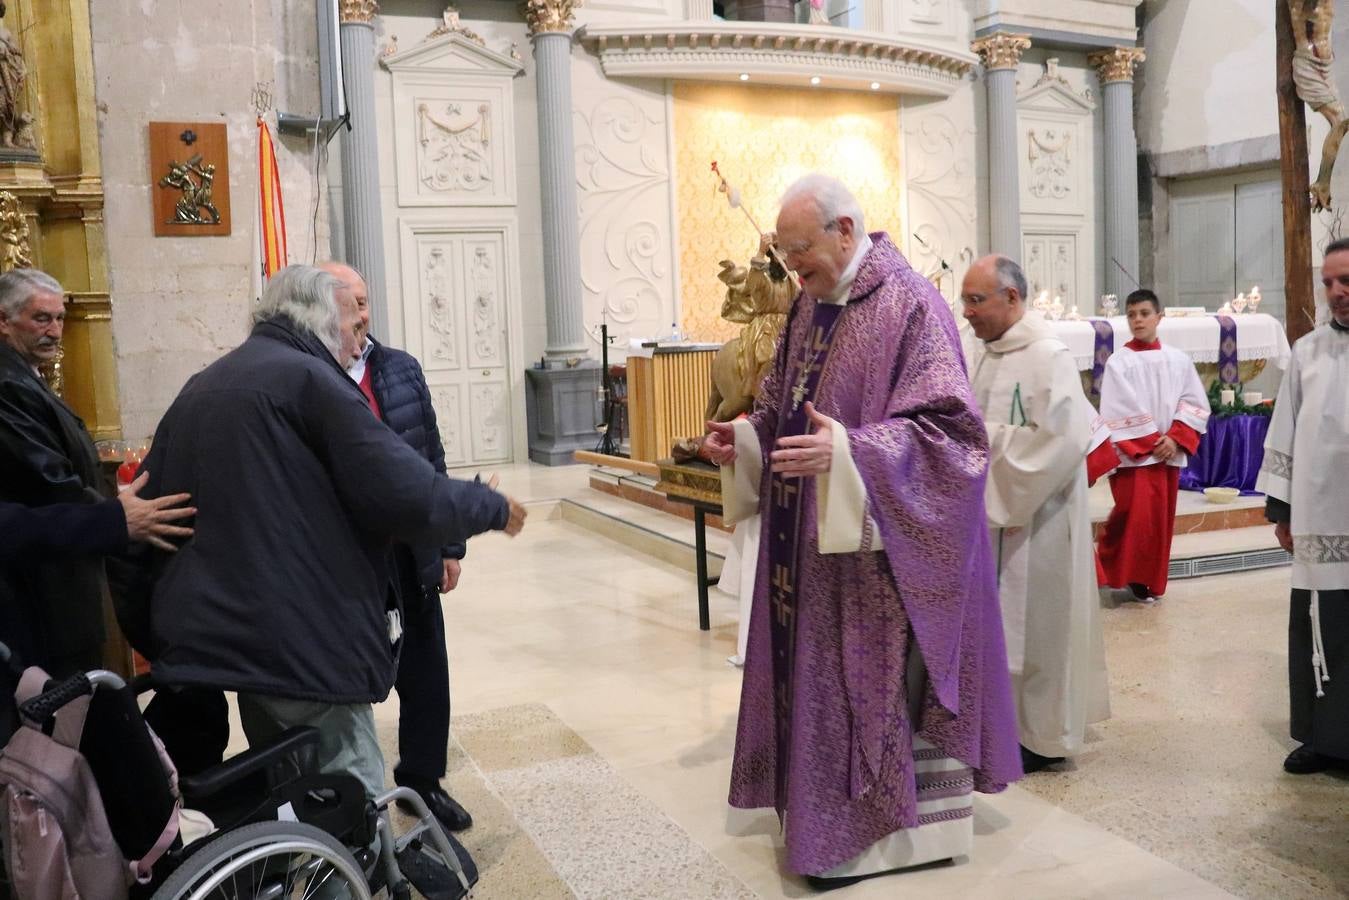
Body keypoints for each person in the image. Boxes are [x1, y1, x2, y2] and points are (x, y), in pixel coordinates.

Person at [703, 174, 1020, 888]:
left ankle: (871, 834)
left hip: (878, 570)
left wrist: (849, 454)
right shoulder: (804, 310)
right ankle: (814, 819)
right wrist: (746, 439)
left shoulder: (911, 306)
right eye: (784, 257)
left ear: (845, 231)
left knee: (862, 687)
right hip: (806, 557)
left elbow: (953, 439)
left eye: (800, 252)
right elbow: (781, 410)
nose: (793, 269)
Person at [117, 264, 526, 799]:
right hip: (300, 632)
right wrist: (488, 506)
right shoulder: (308, 380)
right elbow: (403, 490)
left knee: (290, 777)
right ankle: (347, 878)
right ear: (320, 319)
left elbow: (144, 520)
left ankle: (301, 868)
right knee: (348, 789)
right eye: (354, 327)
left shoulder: (207, 383)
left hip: (233, 636)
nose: (361, 344)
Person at [322, 260, 473, 832]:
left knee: (427, 670)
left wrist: (450, 543)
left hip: (410, 550)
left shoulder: (400, 369)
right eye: (351, 303)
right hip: (349, 559)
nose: (363, 313)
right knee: (350, 672)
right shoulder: (309, 374)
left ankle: (423, 781)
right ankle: (348, 790)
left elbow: (431, 458)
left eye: (365, 300)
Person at [960, 255, 1111, 775]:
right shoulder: (986, 354)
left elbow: (1064, 439)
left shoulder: (1048, 356)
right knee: (999, 624)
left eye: (977, 300)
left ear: (1012, 298)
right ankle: (1000, 725)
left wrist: (993, 457)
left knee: (1043, 629)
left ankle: (1044, 738)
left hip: (1040, 513)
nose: (968, 312)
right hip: (995, 513)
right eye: (966, 300)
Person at [1256, 236, 1349, 775]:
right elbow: (1285, 432)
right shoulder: (1308, 351)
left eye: (1347, 281)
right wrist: (1281, 510)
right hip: (1319, 515)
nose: (1336, 293)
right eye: (1329, 283)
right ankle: (1321, 737)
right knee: (1321, 626)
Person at [0, 268, 120, 676]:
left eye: (60, 318)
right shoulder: (7, 384)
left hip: (60, 567)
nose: (55, 330)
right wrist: (118, 518)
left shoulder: (23, 374)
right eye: (41, 318)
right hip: (43, 585)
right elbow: (48, 482)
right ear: (3, 320)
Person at [1096, 289, 1209, 603]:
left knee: (1157, 523)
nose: (1137, 320)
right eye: (1131, 315)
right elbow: (1118, 406)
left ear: (1160, 317)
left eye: (1144, 313)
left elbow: (1194, 402)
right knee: (1130, 516)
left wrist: (1174, 438)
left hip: (1167, 454)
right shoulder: (1120, 362)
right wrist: (1150, 442)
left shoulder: (1178, 360)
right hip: (1135, 456)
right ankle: (1111, 569)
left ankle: (1146, 580)